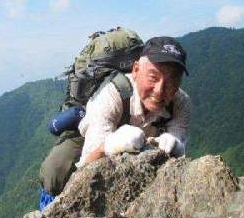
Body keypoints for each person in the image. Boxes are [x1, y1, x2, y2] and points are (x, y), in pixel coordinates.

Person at [39, 36, 191, 208]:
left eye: (172, 81)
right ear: (135, 70)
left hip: (139, 142)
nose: (160, 90)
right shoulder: (111, 95)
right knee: (57, 170)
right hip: (93, 133)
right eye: (153, 77)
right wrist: (109, 145)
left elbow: (178, 141)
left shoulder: (180, 102)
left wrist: (175, 144)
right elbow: (85, 169)